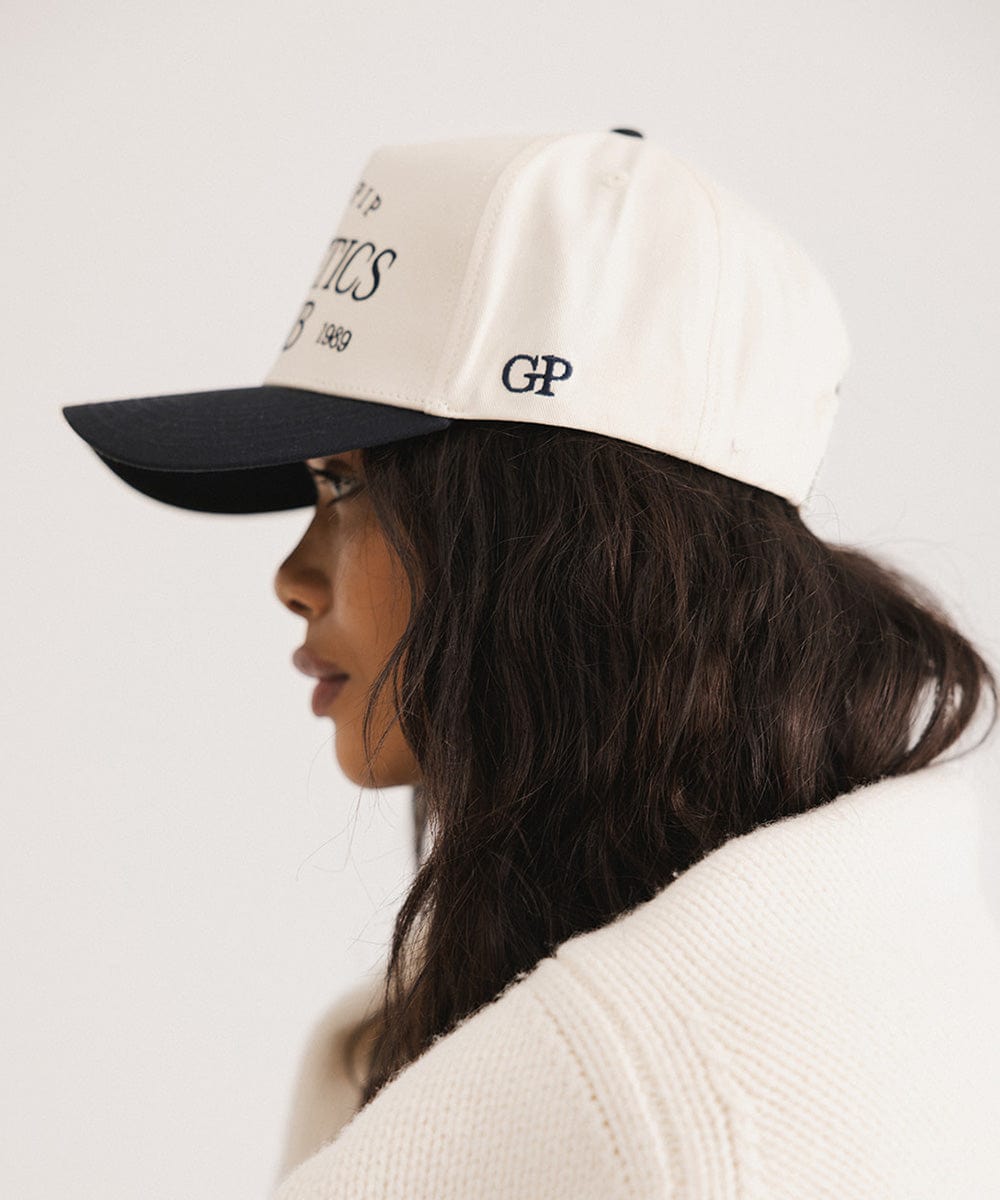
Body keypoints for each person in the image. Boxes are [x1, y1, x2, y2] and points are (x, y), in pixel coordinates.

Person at [62, 128, 1000, 1198]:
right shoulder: (865, 980)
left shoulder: (666, 1121)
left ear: (557, 541)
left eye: (342, 486)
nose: (293, 575)